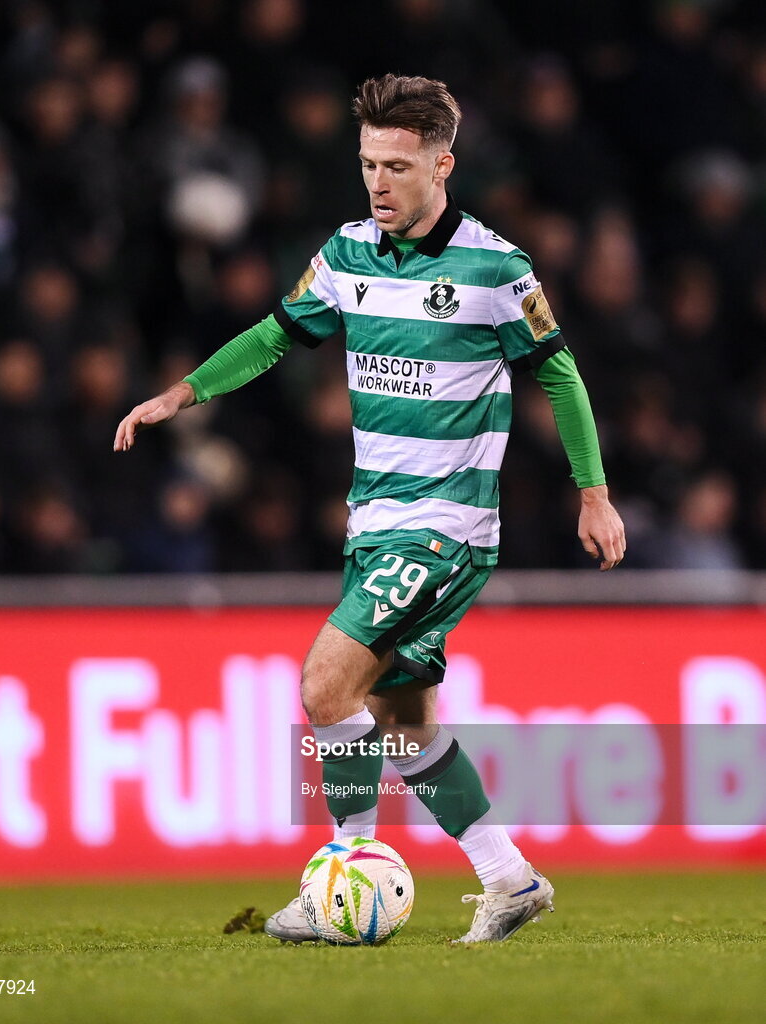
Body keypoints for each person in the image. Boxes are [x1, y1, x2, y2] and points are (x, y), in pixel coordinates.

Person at [114, 74, 626, 943]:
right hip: (374, 525)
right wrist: (183, 393)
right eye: (367, 164)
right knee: (403, 724)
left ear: (442, 165)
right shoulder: (347, 253)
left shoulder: (496, 268)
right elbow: (276, 335)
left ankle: (340, 878)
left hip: (445, 529)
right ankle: (510, 880)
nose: (378, 183)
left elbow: (559, 373)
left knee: (324, 686)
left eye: (397, 166)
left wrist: (594, 493)